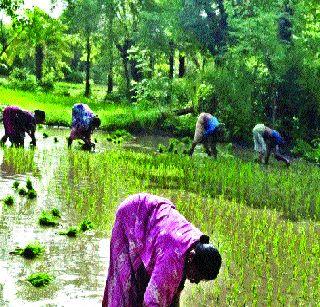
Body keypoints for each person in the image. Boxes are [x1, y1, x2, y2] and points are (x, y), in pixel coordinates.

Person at [102, 193, 222, 307]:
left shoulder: (196, 244)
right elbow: (152, 302)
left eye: (200, 279)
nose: (195, 282)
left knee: (153, 286)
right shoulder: (172, 258)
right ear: (191, 257)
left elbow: (174, 291)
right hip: (132, 215)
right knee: (126, 288)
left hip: (156, 223)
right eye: (197, 276)